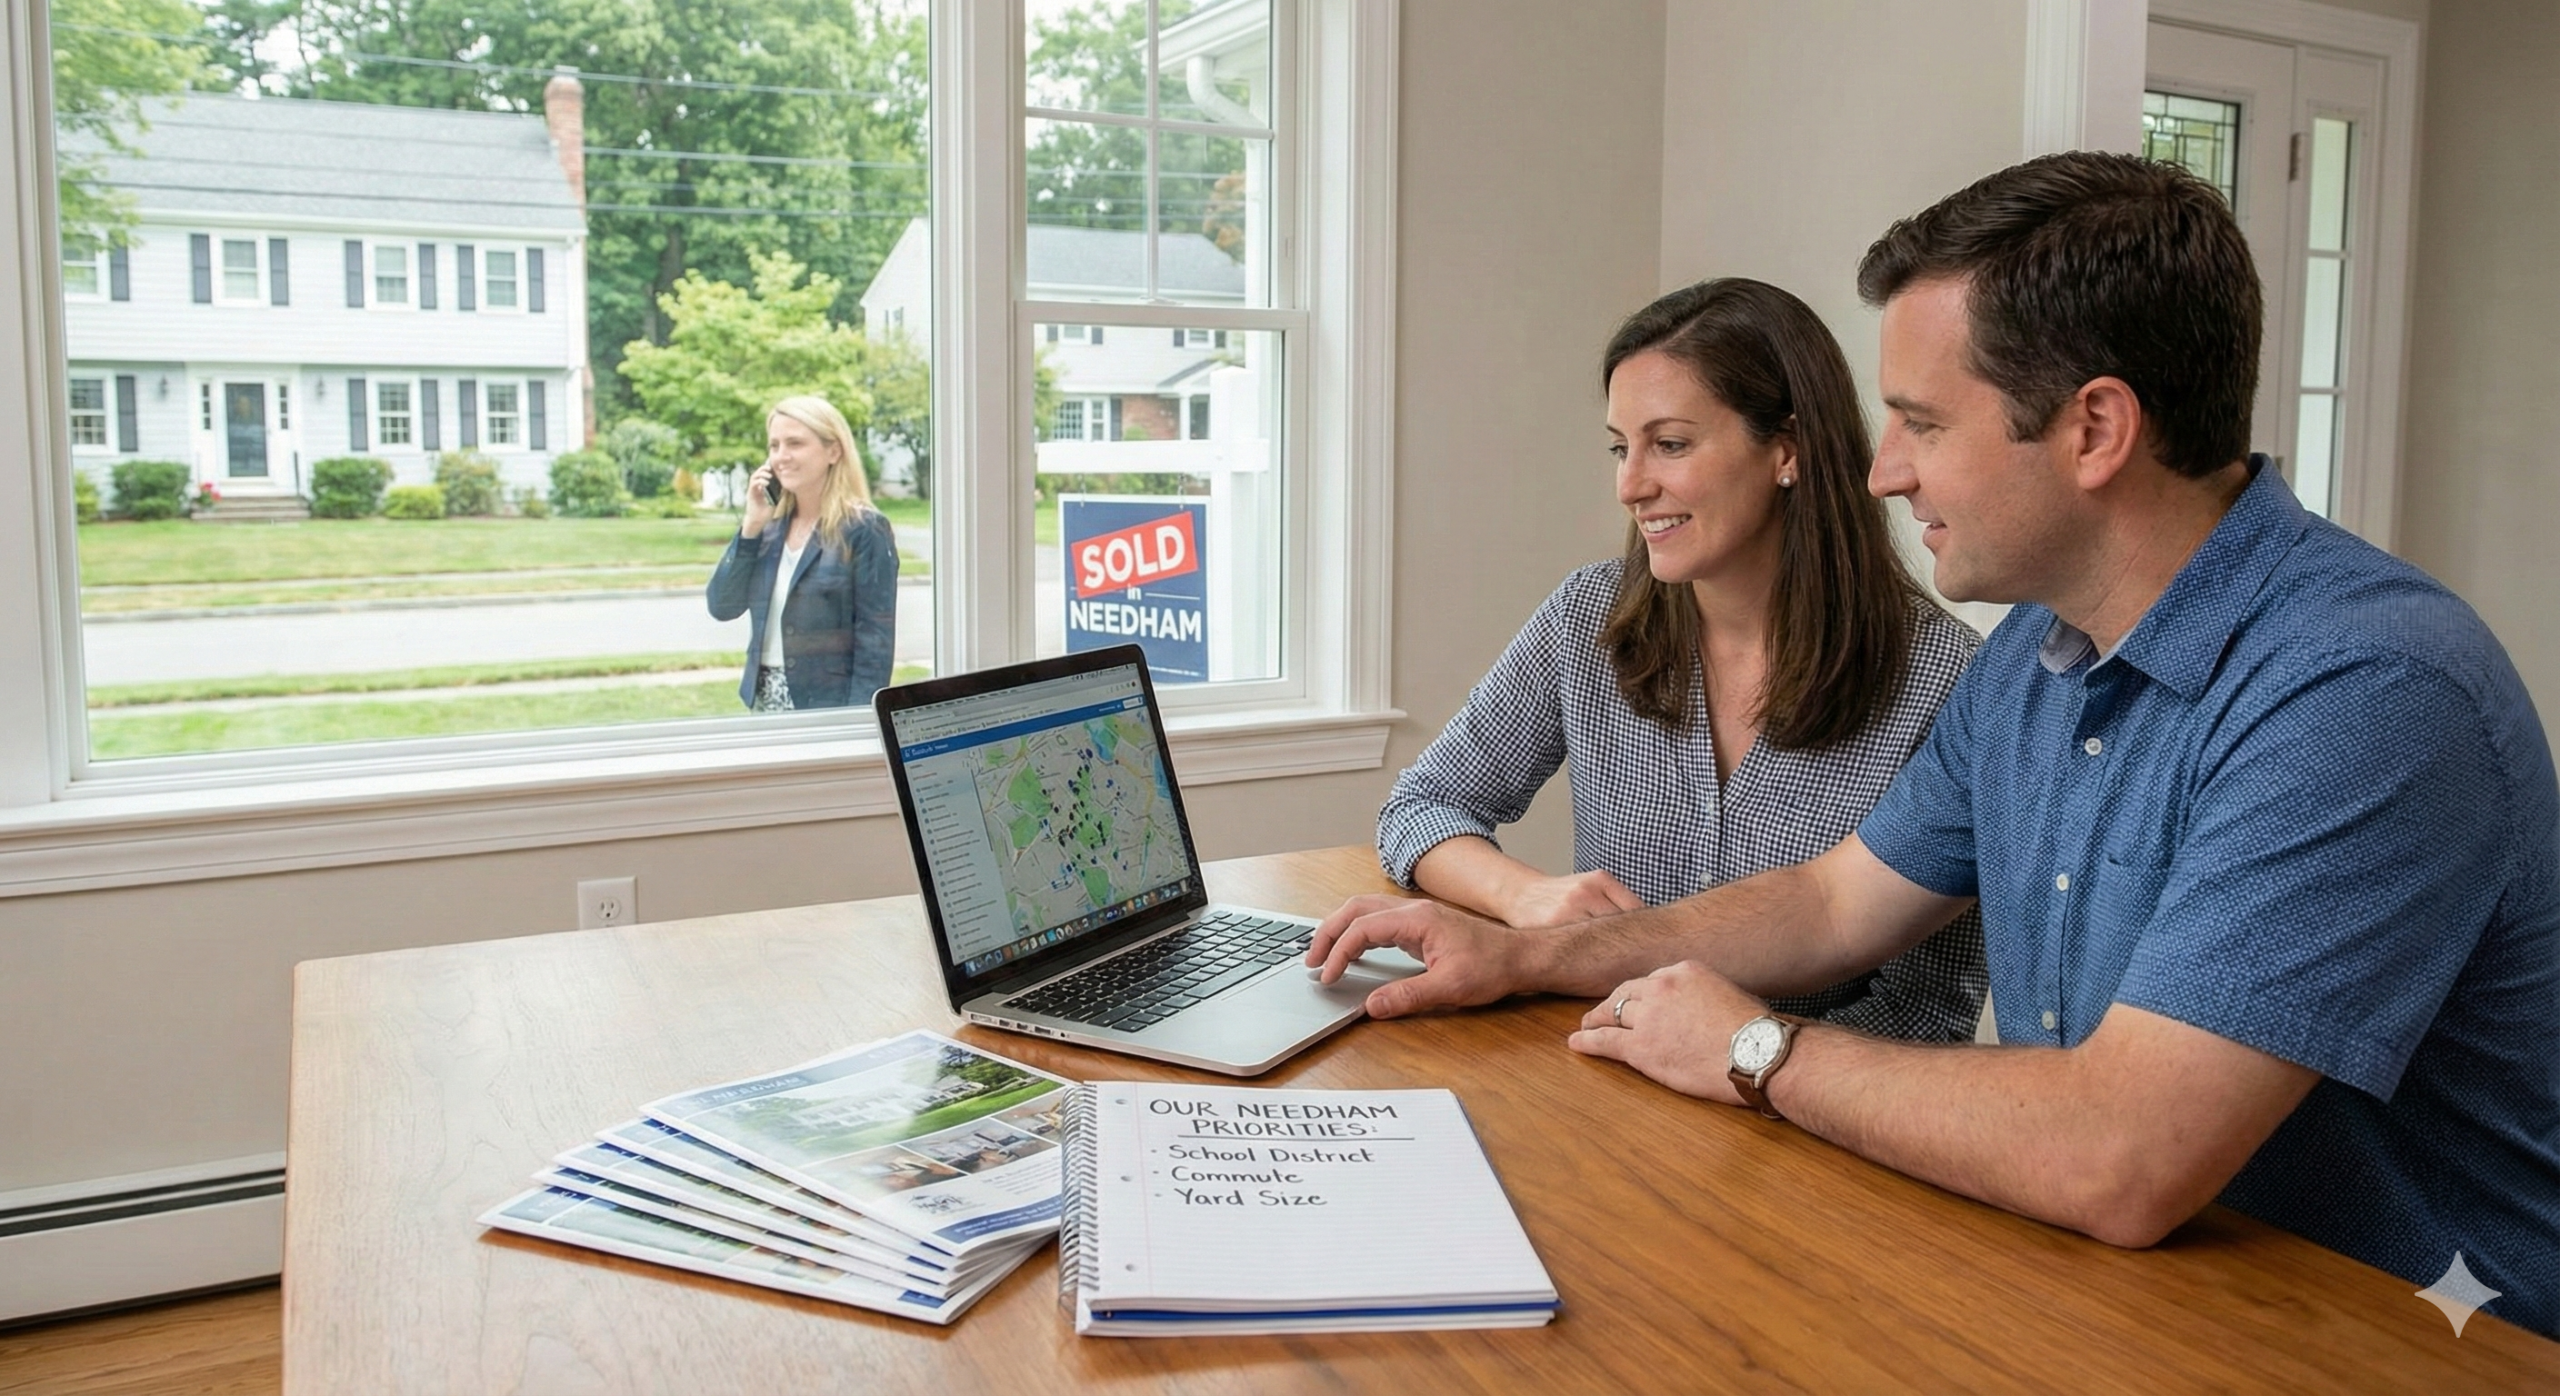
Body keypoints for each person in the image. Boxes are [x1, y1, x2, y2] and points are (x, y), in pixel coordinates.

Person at [1309, 152, 2560, 1337]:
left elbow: (2120, 1152)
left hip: (2414, 1341)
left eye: (1921, 422)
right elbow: (1832, 901)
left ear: (2093, 430)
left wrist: (1754, 1047)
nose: (1883, 471)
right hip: (2143, 1293)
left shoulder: (2362, 690)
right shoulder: (2033, 655)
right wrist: (1531, 955)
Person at [1378, 278, 1986, 1042]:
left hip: (1799, 1120)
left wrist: (1735, 1059)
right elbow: (1423, 806)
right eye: (1619, 447)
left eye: (1669, 444)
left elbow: (1925, 1013)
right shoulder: (1588, 617)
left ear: (1787, 451)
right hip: (1596, 1067)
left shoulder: (1948, 682)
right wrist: (1527, 901)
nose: (1631, 485)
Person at [706, 395, 898, 710]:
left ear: (833, 451)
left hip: (827, 705)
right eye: (774, 446)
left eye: (794, 443)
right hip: (764, 701)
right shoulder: (767, 530)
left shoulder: (865, 529)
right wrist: (751, 526)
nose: (781, 457)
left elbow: (874, 643)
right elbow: (722, 606)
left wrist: (856, 720)